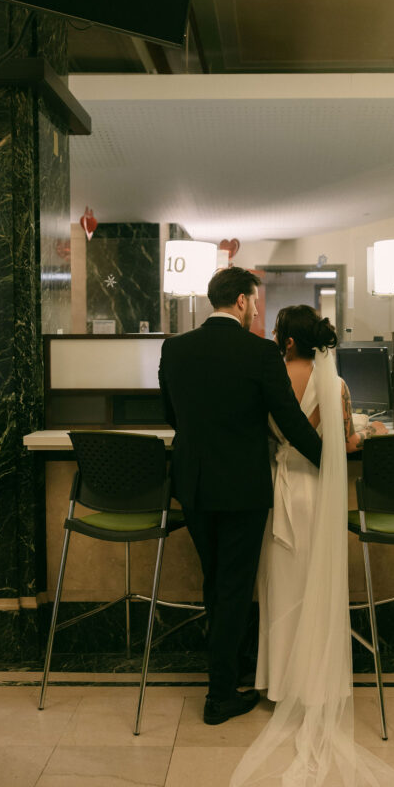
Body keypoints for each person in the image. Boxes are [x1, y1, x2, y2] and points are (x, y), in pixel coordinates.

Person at [228, 305, 394, 787]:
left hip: (283, 489)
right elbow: (343, 443)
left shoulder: (272, 376)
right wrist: (365, 434)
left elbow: (269, 434)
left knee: (282, 587)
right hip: (321, 494)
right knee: (319, 585)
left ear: (286, 342)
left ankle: (279, 684)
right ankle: (318, 681)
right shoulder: (340, 382)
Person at [158, 269, 322, 727]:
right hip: (242, 488)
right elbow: (289, 420)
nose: (256, 308)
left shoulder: (175, 348)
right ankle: (220, 695)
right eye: (254, 300)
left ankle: (227, 672)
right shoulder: (260, 352)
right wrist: (329, 460)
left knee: (216, 582)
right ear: (240, 301)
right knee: (233, 587)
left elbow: (169, 412)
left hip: (192, 483)